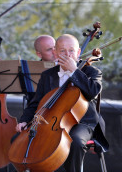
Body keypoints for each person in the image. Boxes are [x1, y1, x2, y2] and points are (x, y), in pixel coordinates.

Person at [15, 34, 104, 172]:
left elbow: (93, 91)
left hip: (83, 122)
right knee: (20, 140)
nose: (67, 54)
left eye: (71, 50)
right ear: (55, 53)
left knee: (74, 142)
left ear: (78, 52)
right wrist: (24, 120)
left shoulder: (92, 72)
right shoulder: (48, 75)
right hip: (51, 122)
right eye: (62, 51)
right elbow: (36, 103)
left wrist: (74, 71)